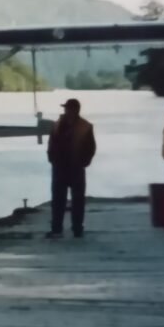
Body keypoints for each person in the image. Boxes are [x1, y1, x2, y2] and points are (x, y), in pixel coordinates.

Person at [45, 98, 96, 239]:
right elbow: (51, 143)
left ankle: (77, 229)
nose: (66, 111)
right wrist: (51, 158)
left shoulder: (86, 126)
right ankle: (56, 229)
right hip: (59, 167)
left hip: (76, 168)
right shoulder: (57, 125)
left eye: (68, 108)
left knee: (78, 201)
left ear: (76, 110)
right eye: (66, 108)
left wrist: (84, 162)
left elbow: (91, 148)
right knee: (57, 200)